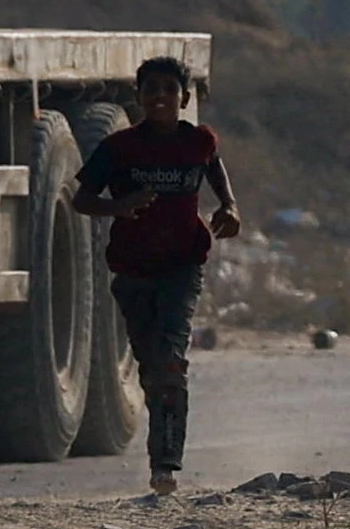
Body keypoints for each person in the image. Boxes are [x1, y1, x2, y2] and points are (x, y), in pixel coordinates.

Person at [70, 57, 242, 494]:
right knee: (150, 367)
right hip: (131, 270)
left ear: (185, 98)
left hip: (182, 267)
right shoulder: (119, 149)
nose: (161, 98)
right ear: (139, 97)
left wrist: (230, 206)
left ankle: (164, 464)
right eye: (151, 90)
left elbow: (213, 168)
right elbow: (81, 199)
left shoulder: (198, 141)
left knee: (169, 362)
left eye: (170, 90)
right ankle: (161, 449)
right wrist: (118, 207)